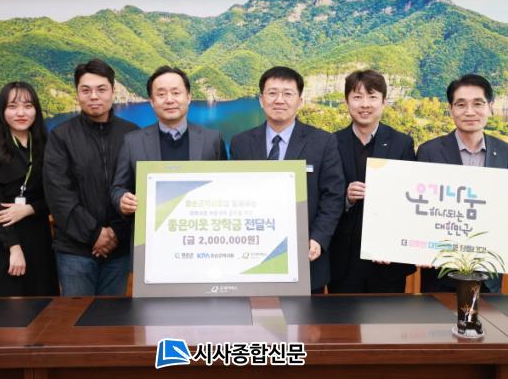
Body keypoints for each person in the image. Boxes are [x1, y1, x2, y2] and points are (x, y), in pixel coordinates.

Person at [417, 73, 508, 293]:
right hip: (441, 272)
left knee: (488, 316)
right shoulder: (429, 151)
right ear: (451, 109)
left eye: (478, 103)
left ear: (490, 107)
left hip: (488, 273)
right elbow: (418, 210)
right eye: (461, 104)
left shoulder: (505, 151)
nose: (470, 112)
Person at [230, 66, 344, 294]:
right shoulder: (240, 143)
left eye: (288, 94)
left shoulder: (323, 142)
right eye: (272, 93)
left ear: (300, 101)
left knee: (307, 317)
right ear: (261, 100)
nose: (279, 100)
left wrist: (318, 238)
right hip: (252, 254)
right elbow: (233, 194)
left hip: (306, 255)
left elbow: (333, 195)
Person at [43, 58, 138, 296]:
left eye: (101, 89)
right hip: (74, 251)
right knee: (76, 316)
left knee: (113, 316)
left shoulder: (132, 134)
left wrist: (115, 233)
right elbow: (59, 194)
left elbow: (137, 188)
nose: (93, 96)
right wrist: (95, 234)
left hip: (119, 248)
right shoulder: (61, 136)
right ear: (77, 94)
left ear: (113, 91)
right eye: (86, 90)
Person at [0, 81, 58, 297]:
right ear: (2, 111)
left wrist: (30, 209)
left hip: (37, 236)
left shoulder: (48, 146)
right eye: (12, 106)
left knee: (41, 306)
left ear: (36, 110)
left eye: (28, 106)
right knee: (3, 309)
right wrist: (13, 247)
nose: (21, 113)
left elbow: (57, 194)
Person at [328, 70, 417, 293]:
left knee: (387, 314)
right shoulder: (331, 143)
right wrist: (346, 198)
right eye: (357, 97)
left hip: (387, 258)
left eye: (372, 97)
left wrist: (392, 245)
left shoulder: (402, 143)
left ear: (384, 102)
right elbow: (324, 195)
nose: (365, 104)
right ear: (347, 102)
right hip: (344, 259)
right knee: (341, 315)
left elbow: (411, 200)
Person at [111, 66, 227, 215]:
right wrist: (122, 200)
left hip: (197, 224)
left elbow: (225, 184)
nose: (169, 100)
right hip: (152, 226)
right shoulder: (132, 142)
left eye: (176, 93)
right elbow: (118, 188)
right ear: (152, 101)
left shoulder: (212, 139)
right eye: (161, 94)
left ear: (188, 97)